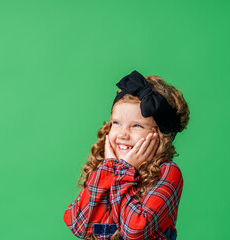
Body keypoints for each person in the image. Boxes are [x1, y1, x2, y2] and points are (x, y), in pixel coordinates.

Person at [63, 70, 190, 240]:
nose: (123, 134)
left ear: (161, 135)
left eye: (137, 126)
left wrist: (124, 170)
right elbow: (77, 225)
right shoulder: (106, 168)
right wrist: (109, 169)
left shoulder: (167, 173)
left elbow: (134, 230)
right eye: (116, 123)